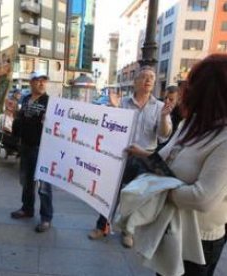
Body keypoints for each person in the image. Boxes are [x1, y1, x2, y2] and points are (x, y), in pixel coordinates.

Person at [127, 54, 227, 276]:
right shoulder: (192, 122)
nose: (183, 91)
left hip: (200, 240)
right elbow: (165, 157)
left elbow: (201, 198)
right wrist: (145, 155)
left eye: (190, 85)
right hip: (170, 228)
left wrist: (158, 188)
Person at [88, 66, 173, 248]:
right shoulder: (123, 103)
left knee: (136, 197)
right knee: (110, 193)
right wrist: (114, 108)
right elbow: (111, 126)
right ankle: (101, 226)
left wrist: (165, 117)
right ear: (136, 82)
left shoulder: (159, 107)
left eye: (151, 77)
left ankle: (128, 231)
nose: (148, 80)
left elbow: (164, 135)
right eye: (144, 77)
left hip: (144, 158)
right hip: (122, 156)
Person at [10, 71, 53, 233]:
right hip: (26, 146)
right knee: (27, 182)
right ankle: (27, 209)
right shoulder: (26, 99)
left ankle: (46, 218)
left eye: (44, 80)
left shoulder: (50, 101)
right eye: (38, 80)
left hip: (42, 148)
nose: (42, 83)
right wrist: (15, 113)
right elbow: (21, 119)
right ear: (31, 83)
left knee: (44, 186)